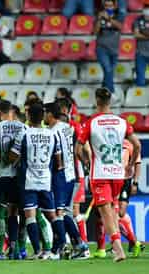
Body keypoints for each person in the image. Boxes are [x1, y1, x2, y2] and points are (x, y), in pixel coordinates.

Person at [76, 88, 141, 262]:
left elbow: (78, 147)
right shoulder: (122, 122)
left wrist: (86, 162)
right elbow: (137, 145)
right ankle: (121, 245)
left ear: (96, 100)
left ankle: (118, 249)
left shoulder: (91, 122)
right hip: (118, 173)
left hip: (100, 174)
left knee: (106, 212)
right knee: (111, 210)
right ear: (110, 101)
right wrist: (129, 166)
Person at [9, 103, 66, 260]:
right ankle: (58, 249)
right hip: (45, 180)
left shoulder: (24, 134)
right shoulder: (53, 134)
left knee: (30, 216)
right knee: (52, 216)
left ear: (28, 116)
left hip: (28, 181)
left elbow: (12, 157)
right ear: (43, 117)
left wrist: (20, 159)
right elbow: (59, 162)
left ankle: (38, 251)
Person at [44, 102, 89, 260]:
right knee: (65, 211)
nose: (43, 116)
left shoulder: (52, 131)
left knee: (58, 212)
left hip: (60, 175)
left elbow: (56, 157)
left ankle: (60, 248)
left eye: (45, 113)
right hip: (72, 174)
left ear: (50, 114)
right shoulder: (67, 127)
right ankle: (79, 245)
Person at [0, 100, 26, 260]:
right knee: (15, 212)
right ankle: (15, 249)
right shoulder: (23, 127)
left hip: (1, 174)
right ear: (11, 111)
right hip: (18, 176)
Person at [118, 139, 143, 257]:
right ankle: (132, 241)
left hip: (125, 181)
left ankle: (132, 241)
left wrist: (135, 183)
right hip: (111, 180)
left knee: (121, 214)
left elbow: (138, 164)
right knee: (114, 214)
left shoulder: (130, 143)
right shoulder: (110, 140)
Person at [94, 0, 123, 93]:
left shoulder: (119, 15)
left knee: (108, 73)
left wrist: (109, 19)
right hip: (102, 48)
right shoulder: (99, 15)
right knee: (108, 69)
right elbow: (95, 31)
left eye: (110, 6)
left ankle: (102, 93)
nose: (108, 8)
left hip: (114, 49)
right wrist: (99, 19)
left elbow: (120, 27)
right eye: (106, 6)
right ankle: (111, 93)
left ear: (114, 6)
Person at [133, 3, 149, 87]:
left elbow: (139, 34)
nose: (147, 10)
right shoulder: (137, 20)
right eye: (146, 7)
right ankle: (140, 99)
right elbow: (136, 35)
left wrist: (143, 33)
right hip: (141, 54)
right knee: (140, 80)